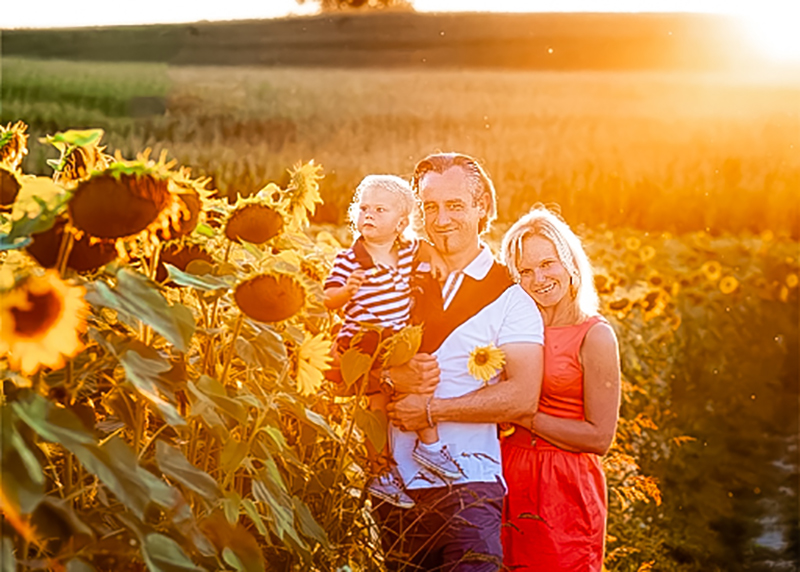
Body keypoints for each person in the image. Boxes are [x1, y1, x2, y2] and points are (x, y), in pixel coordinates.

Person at [382, 153, 545, 571]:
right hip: (394, 490)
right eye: (430, 207)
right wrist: (389, 374)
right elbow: (340, 365)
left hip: (470, 488)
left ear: (482, 208)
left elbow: (523, 396)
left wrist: (432, 409)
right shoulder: (393, 283)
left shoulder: (509, 297)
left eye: (455, 205)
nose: (441, 219)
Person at [323, 174, 460, 510]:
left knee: (422, 377)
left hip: (398, 339)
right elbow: (328, 298)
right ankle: (380, 471)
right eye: (364, 207)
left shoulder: (410, 251)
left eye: (379, 209)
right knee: (376, 409)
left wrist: (434, 268)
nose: (368, 214)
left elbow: (430, 252)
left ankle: (429, 448)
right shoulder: (349, 259)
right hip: (363, 341)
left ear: (401, 223)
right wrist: (347, 291)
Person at [499, 206, 621, 571]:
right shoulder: (512, 330)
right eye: (525, 271)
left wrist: (525, 416)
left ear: (570, 263)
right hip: (507, 475)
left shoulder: (595, 335)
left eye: (548, 263)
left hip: (563, 486)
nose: (538, 278)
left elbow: (600, 437)